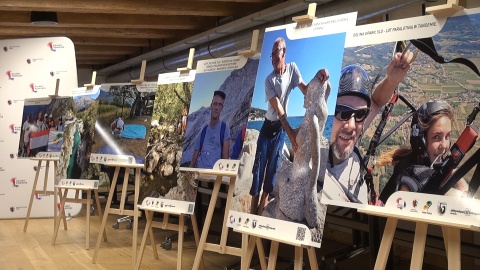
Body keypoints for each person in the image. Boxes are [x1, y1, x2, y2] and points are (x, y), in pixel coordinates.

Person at [249, 37, 329, 215]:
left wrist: (318, 77)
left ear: (284, 52)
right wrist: (292, 135)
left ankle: (260, 214)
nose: (273, 58)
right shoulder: (269, 80)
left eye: (276, 52)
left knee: (271, 173)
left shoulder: (292, 69)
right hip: (267, 129)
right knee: (259, 170)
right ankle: (250, 214)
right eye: (271, 55)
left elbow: (307, 92)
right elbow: (278, 110)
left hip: (279, 132)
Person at [322, 51, 411, 205]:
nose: (351, 125)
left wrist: (391, 81)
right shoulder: (314, 163)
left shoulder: (351, 131)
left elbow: (376, 101)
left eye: (361, 113)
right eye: (342, 112)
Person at [377, 100, 468, 203]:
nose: (445, 145)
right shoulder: (412, 176)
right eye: (437, 137)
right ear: (420, 141)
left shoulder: (410, 161)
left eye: (447, 136)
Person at [190, 91, 230, 169]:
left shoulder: (224, 128)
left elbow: (226, 158)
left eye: (220, 105)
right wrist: (191, 167)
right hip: (199, 174)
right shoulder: (204, 130)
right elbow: (196, 150)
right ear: (211, 106)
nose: (217, 108)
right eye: (215, 104)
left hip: (214, 176)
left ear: (222, 108)